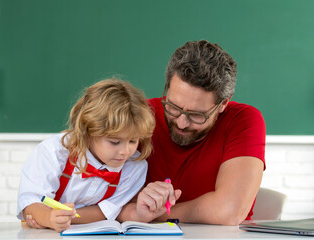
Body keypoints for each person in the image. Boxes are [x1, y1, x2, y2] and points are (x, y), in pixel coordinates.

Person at [117, 40, 266, 225]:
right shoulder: (138, 115)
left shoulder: (243, 120)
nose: (181, 122)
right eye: (173, 106)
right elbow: (98, 200)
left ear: (223, 104)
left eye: (197, 115)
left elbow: (228, 211)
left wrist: (147, 214)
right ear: (167, 88)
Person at [16, 78, 155, 232]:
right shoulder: (54, 152)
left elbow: (105, 211)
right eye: (115, 142)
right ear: (88, 132)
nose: (125, 151)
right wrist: (48, 218)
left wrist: (66, 218)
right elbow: (30, 203)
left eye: (133, 141)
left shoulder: (135, 167)